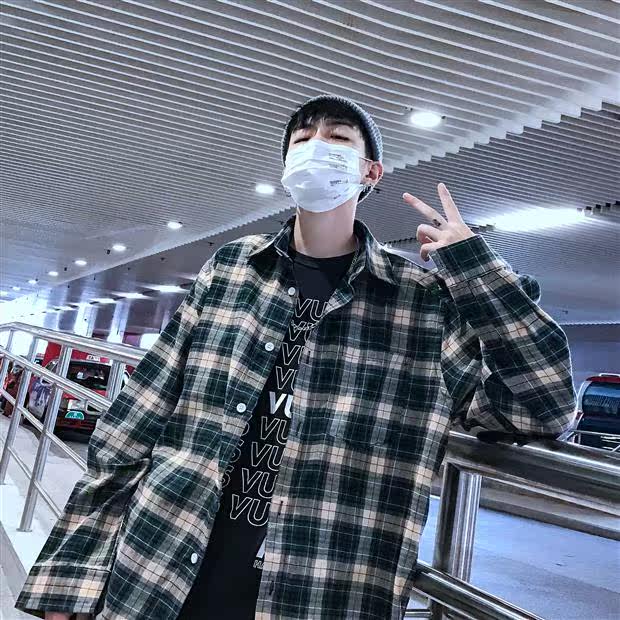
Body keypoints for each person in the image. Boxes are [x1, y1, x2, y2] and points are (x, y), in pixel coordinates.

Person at [15, 95, 577, 620]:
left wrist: (476, 272)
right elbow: (137, 421)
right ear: (286, 166)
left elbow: (541, 408)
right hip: (162, 563)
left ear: (370, 172)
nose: (316, 148)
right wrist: (73, 572)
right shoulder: (232, 270)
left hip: (322, 583)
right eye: (302, 140)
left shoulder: (423, 303)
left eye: (338, 138)